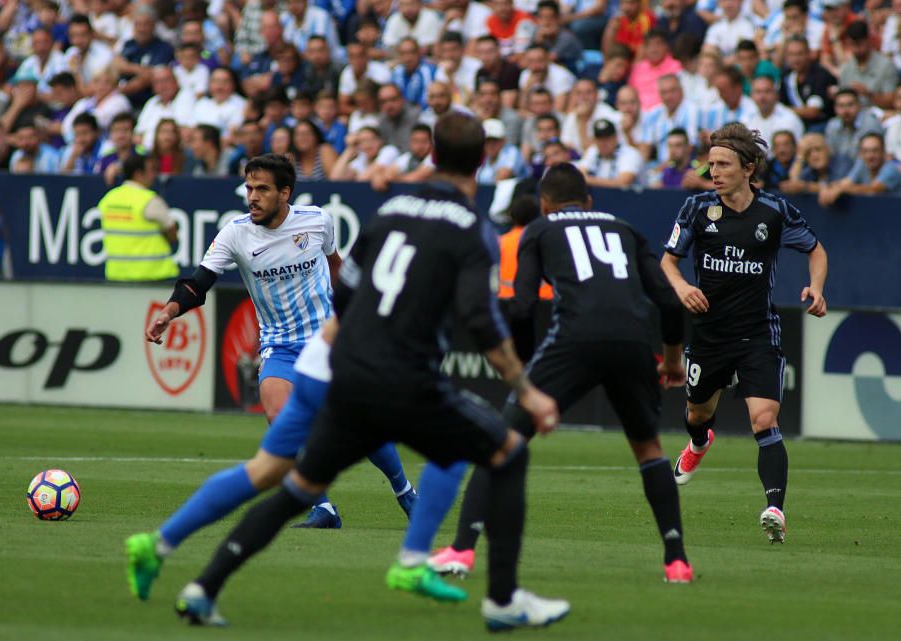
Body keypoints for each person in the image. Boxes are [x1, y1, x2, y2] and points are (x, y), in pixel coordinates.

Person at [172, 114, 570, 631]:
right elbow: (482, 321)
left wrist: (328, 351)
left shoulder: (389, 210)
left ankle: (200, 581)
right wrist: (528, 391)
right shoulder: (473, 230)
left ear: (430, 156)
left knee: (292, 483)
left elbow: (348, 290)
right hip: (403, 373)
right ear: (483, 161)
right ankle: (488, 591)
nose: (251, 195)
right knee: (504, 453)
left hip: (345, 365)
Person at [126, 154, 418, 601]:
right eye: (249, 188)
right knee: (278, 414)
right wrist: (169, 311)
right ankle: (322, 506)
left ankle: (405, 493)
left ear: (285, 193)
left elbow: (338, 266)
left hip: (328, 340)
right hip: (279, 346)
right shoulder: (236, 234)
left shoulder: (318, 221)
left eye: (262, 189)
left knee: (363, 423)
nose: (253, 197)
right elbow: (198, 282)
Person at [429, 161, 693, 585]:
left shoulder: (539, 229)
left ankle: (461, 549)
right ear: (589, 200)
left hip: (574, 339)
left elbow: (522, 306)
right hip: (632, 341)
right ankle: (677, 560)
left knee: (501, 443)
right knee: (649, 450)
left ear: (544, 204)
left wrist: (523, 370)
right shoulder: (624, 228)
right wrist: (673, 358)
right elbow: (666, 298)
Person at [659, 123, 828, 544]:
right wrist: (682, 286)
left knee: (764, 419)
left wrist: (817, 287)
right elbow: (668, 262)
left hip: (758, 334)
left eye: (722, 164)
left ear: (748, 168)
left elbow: (816, 249)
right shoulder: (697, 209)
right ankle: (699, 443)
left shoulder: (773, 211)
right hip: (710, 336)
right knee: (697, 413)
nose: (713, 171)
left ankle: (775, 508)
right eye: (710, 164)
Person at [97, 153, 179, 282]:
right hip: (152, 276)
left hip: (116, 275)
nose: (154, 175)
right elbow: (172, 234)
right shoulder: (149, 200)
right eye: (151, 170)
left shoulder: (108, 199)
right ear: (138, 174)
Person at [818, 133, 901, 206]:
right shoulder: (862, 163)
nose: (870, 156)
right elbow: (845, 182)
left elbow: (873, 190)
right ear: (861, 153)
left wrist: (842, 189)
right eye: (865, 151)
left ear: (883, 152)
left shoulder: (891, 169)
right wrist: (828, 187)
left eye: (875, 151)